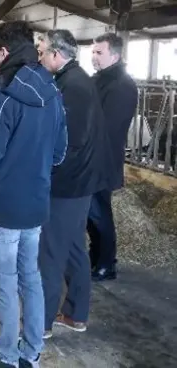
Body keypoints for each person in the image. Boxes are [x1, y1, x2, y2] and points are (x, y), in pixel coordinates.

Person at [0, 21, 67, 368]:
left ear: (3, 52)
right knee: (31, 280)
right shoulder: (52, 91)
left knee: (5, 286)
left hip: (3, 211)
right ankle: (31, 354)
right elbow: (59, 154)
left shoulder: (0, 96)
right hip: (35, 206)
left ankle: (7, 358)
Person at [37, 30, 111, 339]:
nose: (39, 58)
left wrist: (47, 173)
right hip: (80, 181)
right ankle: (76, 313)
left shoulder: (73, 86)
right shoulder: (73, 80)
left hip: (69, 184)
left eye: (42, 52)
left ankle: (40, 324)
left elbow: (72, 142)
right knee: (73, 249)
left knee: (51, 252)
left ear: (56, 54)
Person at [88, 33, 138, 281]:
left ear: (115, 55)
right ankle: (95, 254)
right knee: (91, 214)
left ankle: (108, 263)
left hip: (102, 161)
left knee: (100, 213)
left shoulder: (122, 85)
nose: (94, 57)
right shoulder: (100, 80)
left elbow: (107, 128)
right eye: (93, 52)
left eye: (100, 52)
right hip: (91, 158)